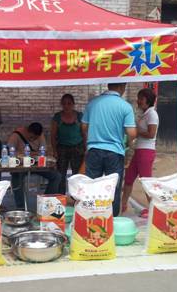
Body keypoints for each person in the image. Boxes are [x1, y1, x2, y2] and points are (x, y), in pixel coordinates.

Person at [82, 83, 137, 216]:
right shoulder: (125, 106)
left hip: (94, 150)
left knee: (92, 185)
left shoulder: (92, 103)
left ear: (108, 85)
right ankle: (112, 220)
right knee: (113, 188)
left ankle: (91, 217)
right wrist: (127, 143)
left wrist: (90, 139)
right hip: (115, 152)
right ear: (122, 87)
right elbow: (131, 133)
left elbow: (83, 127)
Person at [121, 88, 159, 214]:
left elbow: (151, 134)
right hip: (139, 151)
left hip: (146, 151)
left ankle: (154, 209)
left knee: (146, 182)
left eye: (141, 99)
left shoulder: (152, 114)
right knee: (128, 178)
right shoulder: (143, 114)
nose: (138, 101)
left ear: (148, 100)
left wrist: (137, 130)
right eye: (138, 98)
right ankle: (123, 205)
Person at [7, 122, 61, 209]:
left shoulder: (40, 136)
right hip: (20, 164)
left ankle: (46, 203)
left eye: (35, 138)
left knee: (56, 176)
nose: (32, 140)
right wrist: (22, 154)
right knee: (16, 178)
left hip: (36, 164)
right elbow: (9, 151)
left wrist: (33, 154)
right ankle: (20, 207)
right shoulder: (16, 135)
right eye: (31, 137)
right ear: (27, 131)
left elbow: (43, 151)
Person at [50, 94, 86, 194]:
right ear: (61, 104)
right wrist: (54, 151)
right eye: (64, 103)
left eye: (69, 103)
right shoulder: (57, 117)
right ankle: (61, 197)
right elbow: (53, 136)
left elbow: (84, 134)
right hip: (62, 148)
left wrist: (86, 149)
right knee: (60, 175)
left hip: (77, 148)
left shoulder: (79, 116)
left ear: (73, 104)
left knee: (77, 175)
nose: (66, 106)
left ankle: (76, 197)